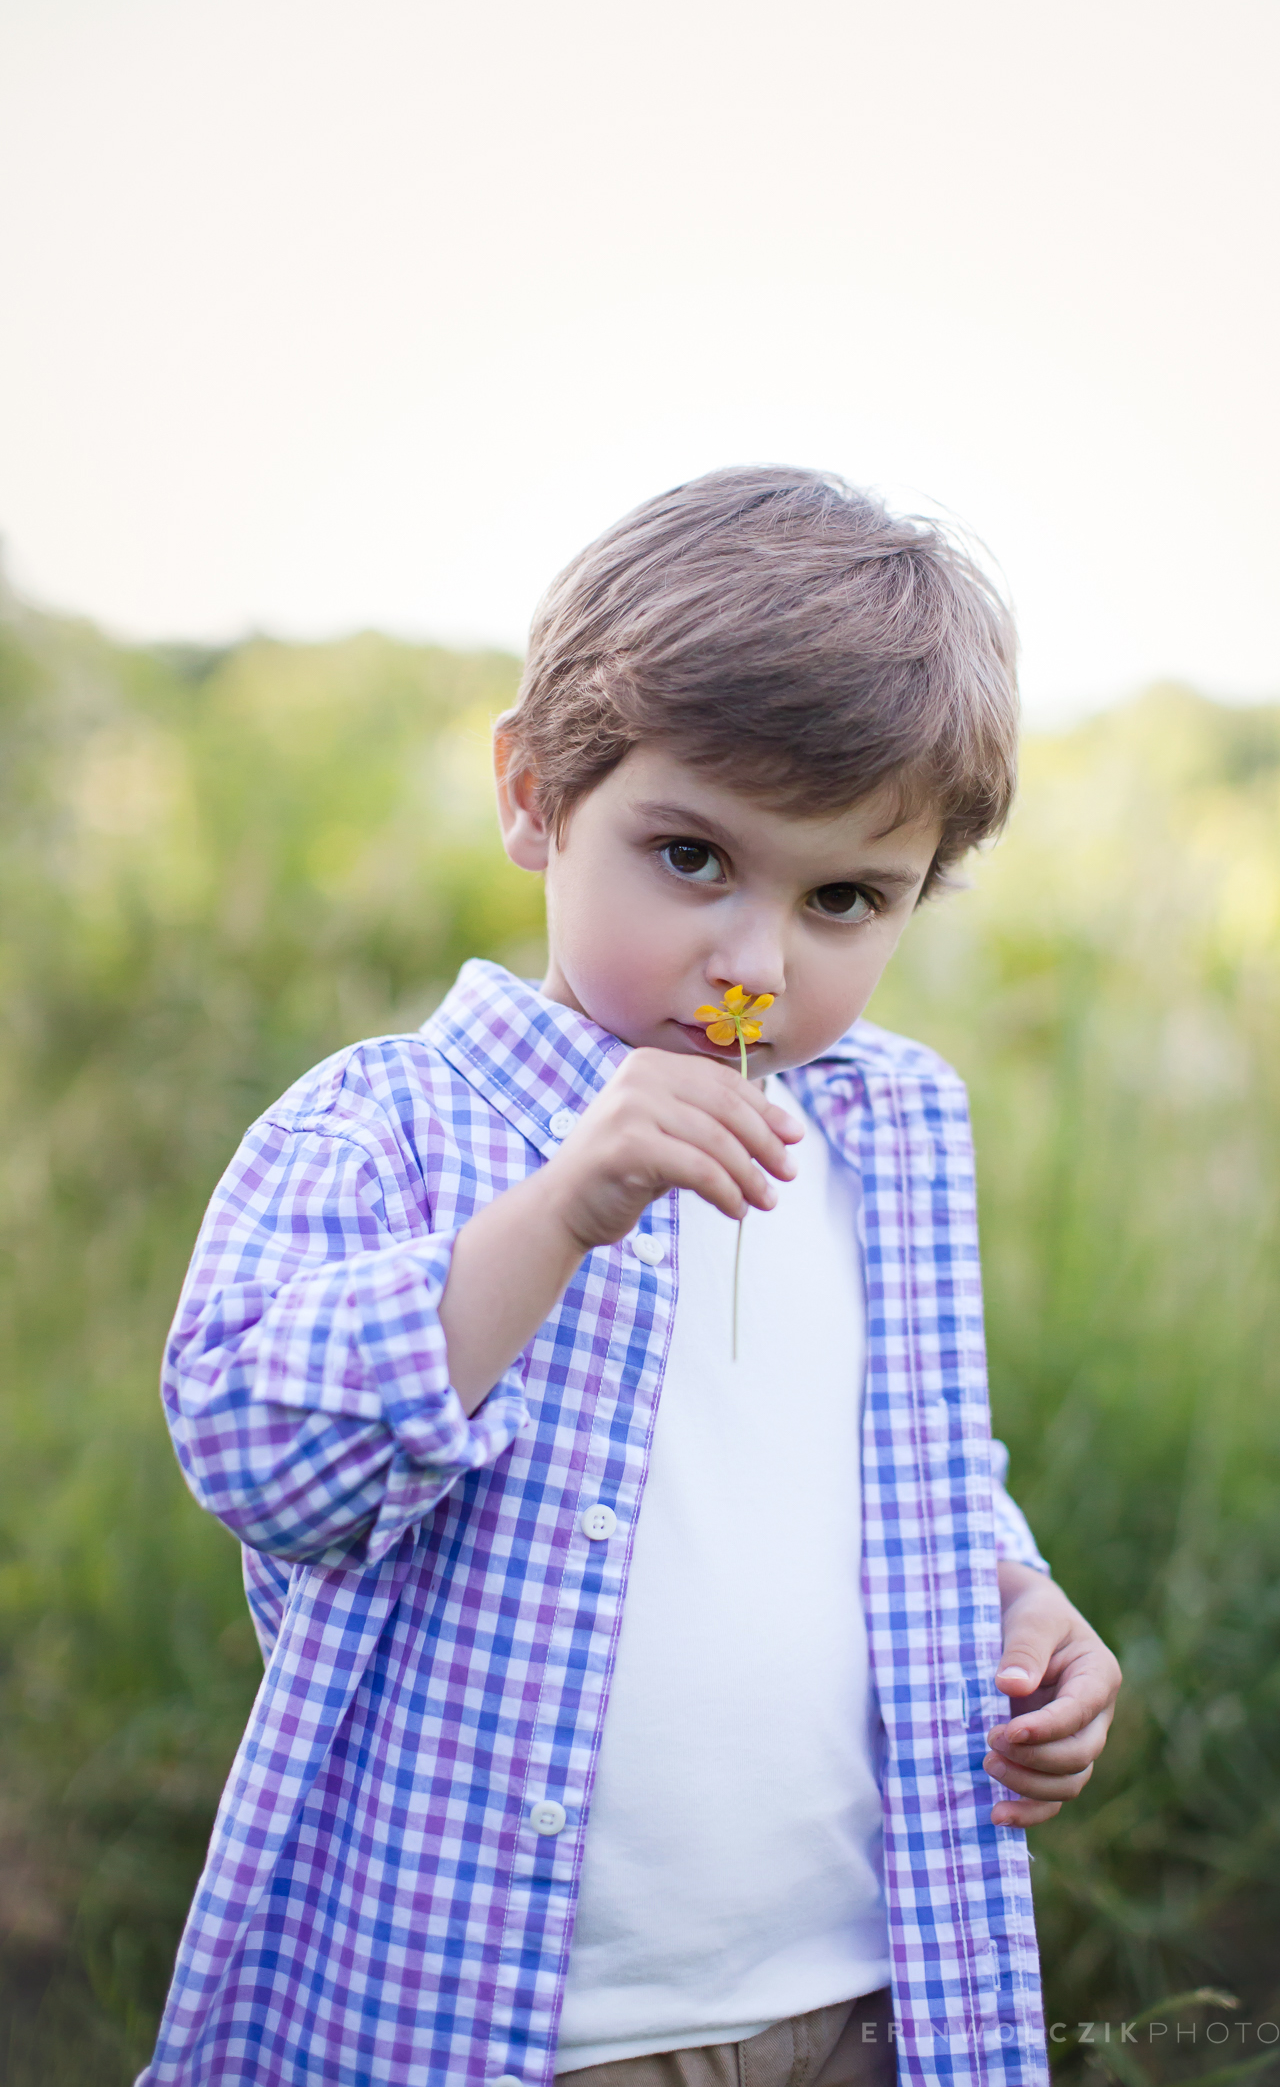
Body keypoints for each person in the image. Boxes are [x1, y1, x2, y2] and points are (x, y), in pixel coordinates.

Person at [142, 468, 1121, 2087]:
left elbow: (889, 1465)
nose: (753, 961)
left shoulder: (891, 1134)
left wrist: (1014, 1594)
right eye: (690, 857)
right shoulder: (394, 1121)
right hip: (516, 2015)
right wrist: (558, 1213)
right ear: (534, 795)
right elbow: (258, 1453)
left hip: (869, 1985)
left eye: (843, 898)